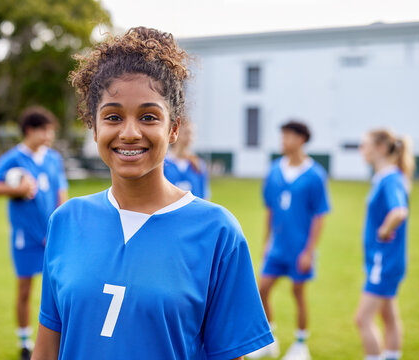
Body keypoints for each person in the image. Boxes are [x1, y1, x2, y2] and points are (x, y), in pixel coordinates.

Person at [32, 27, 273, 360]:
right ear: (94, 126)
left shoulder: (218, 232)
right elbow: (46, 350)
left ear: (173, 128)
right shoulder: (66, 221)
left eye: (148, 117)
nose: (129, 133)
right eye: (113, 116)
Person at [0, 106, 68, 360]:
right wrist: (16, 190)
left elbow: (61, 193)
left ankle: (59, 341)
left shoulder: (53, 158)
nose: (49, 136)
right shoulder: (13, 158)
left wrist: (61, 227)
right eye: (45, 130)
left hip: (51, 237)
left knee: (60, 290)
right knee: (25, 290)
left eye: (51, 131)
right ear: (30, 130)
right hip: (25, 238)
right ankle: (25, 342)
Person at [248, 121, 330, 360]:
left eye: (288, 137)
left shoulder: (315, 175)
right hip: (277, 247)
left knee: (298, 292)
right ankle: (268, 340)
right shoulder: (274, 170)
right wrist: (266, 242)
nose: (283, 141)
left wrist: (309, 251)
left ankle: (301, 345)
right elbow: (270, 210)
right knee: (261, 289)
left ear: (301, 139)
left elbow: (319, 214)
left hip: (299, 248)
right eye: (282, 136)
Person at [354, 130, 414, 360]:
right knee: (388, 315)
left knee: (362, 318)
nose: (362, 150)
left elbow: (399, 212)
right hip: (384, 259)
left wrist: (384, 230)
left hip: (384, 260)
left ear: (380, 148)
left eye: (364, 145)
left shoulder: (390, 178)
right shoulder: (386, 177)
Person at [164, 120, 210, 199]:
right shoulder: (163, 164)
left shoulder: (198, 164)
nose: (190, 137)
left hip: (194, 210)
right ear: (175, 133)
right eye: (186, 133)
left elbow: (204, 197)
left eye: (192, 134)